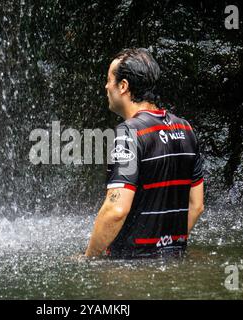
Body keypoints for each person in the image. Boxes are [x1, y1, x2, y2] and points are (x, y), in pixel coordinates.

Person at [85, 48, 204, 258]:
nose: (105, 86)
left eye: (109, 79)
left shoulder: (128, 133)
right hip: (173, 260)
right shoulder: (186, 129)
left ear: (123, 86)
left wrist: (89, 258)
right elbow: (196, 206)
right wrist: (165, 248)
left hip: (131, 266)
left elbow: (116, 210)